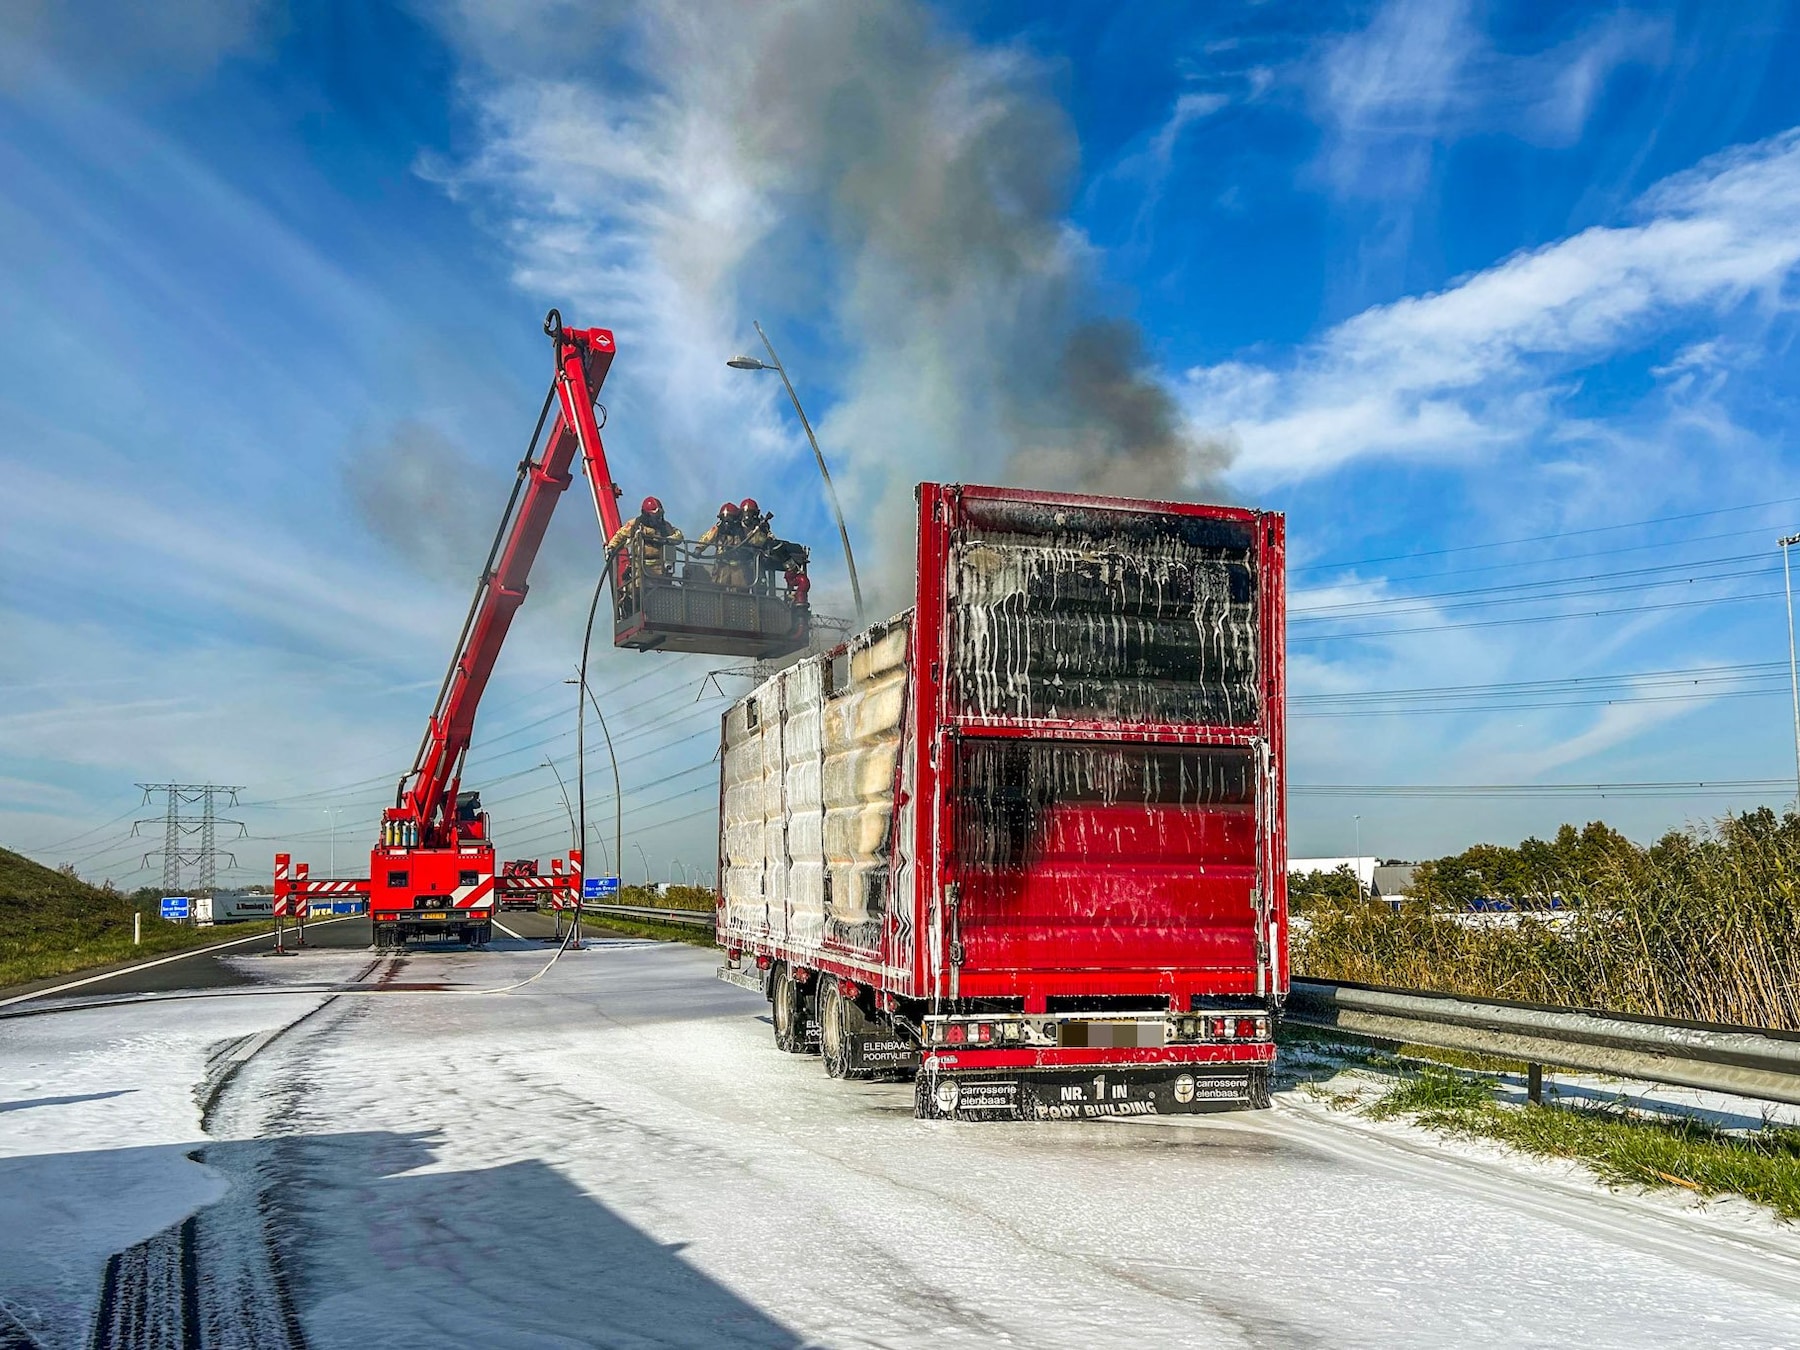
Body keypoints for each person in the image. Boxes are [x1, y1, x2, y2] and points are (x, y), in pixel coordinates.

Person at [607, 496, 684, 590]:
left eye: (659, 515)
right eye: (655, 516)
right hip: (640, 566)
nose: (658, 519)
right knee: (638, 590)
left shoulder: (665, 526)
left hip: (660, 567)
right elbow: (620, 535)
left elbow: (679, 536)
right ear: (646, 515)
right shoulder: (635, 524)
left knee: (662, 591)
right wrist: (611, 547)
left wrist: (667, 540)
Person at [696, 501, 747, 586]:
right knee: (719, 586)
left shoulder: (742, 530)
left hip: (738, 566)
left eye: (730, 518)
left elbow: (753, 540)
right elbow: (707, 538)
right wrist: (699, 548)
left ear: (736, 518)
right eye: (724, 518)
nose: (727, 521)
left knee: (740, 589)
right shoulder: (718, 529)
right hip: (722, 564)